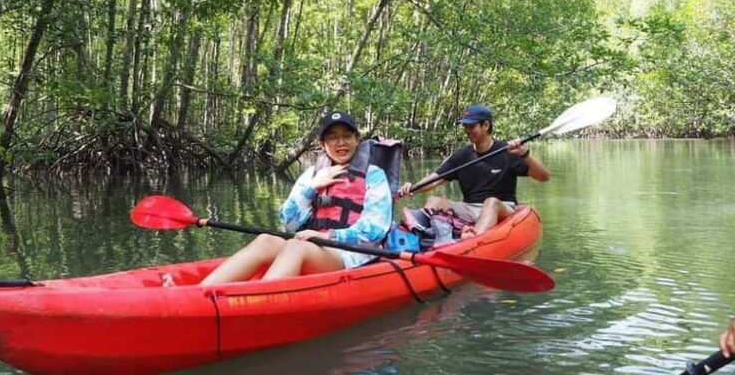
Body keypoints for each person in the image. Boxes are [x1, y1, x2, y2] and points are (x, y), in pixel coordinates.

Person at [200, 111, 393, 285]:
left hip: (354, 252)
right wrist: (312, 188)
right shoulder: (313, 174)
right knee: (266, 240)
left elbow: (375, 229)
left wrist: (328, 236)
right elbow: (288, 221)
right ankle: (203, 293)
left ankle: (258, 301)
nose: (340, 143)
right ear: (322, 144)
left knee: (296, 247)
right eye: (332, 138)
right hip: (316, 245)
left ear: (357, 139)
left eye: (346, 136)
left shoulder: (373, 174)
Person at [397, 104, 550, 237]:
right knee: (434, 201)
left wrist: (525, 154)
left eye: (472, 126)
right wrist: (413, 188)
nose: (467, 131)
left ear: (486, 125)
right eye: (465, 127)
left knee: (491, 202)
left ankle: (473, 239)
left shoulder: (507, 152)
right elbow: (435, 178)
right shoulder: (462, 155)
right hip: (469, 208)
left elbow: (544, 176)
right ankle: (421, 237)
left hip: (501, 207)